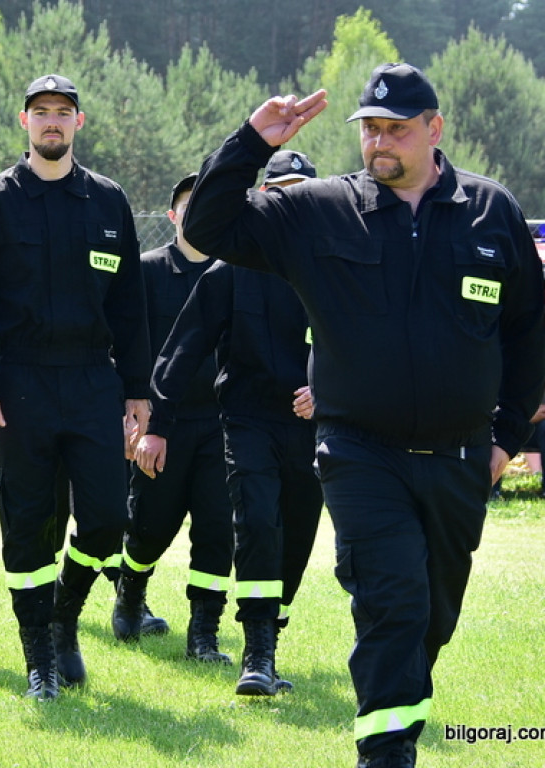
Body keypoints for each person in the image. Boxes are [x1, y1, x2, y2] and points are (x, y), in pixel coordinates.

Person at [181, 63, 545, 768]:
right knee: (393, 602)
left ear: (434, 130)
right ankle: (385, 757)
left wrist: (506, 437)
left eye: (395, 130)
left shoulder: (489, 211)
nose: (378, 143)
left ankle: (394, 722)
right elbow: (208, 225)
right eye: (369, 129)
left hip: (463, 458)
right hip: (359, 454)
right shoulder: (319, 209)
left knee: (430, 620)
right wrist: (251, 143)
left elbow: (531, 330)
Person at [0, 74, 152, 699]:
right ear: (24, 122)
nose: (52, 123)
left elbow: (131, 306)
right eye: (41, 113)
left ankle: (64, 614)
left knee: (105, 521)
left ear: (78, 123)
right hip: (19, 380)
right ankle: (39, 654)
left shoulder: (107, 202)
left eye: (63, 114)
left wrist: (139, 391)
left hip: (94, 377)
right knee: (28, 521)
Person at [144, 154, 325, 697]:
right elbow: (183, 348)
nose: (289, 202)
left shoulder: (336, 267)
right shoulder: (229, 269)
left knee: (295, 536)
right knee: (258, 526)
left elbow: (365, 344)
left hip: (313, 426)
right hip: (247, 419)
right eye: (279, 191)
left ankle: (270, 637)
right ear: (261, 197)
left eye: (300, 192)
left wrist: (329, 390)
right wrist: (158, 423)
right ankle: (257, 655)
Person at [111, 173, 234, 667]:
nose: (195, 213)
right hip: (161, 424)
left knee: (216, 530)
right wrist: (129, 412)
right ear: (172, 215)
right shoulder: (146, 273)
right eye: (186, 205)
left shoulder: (234, 272)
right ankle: (131, 595)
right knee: (150, 526)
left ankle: (203, 635)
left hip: (222, 423)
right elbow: (122, 346)